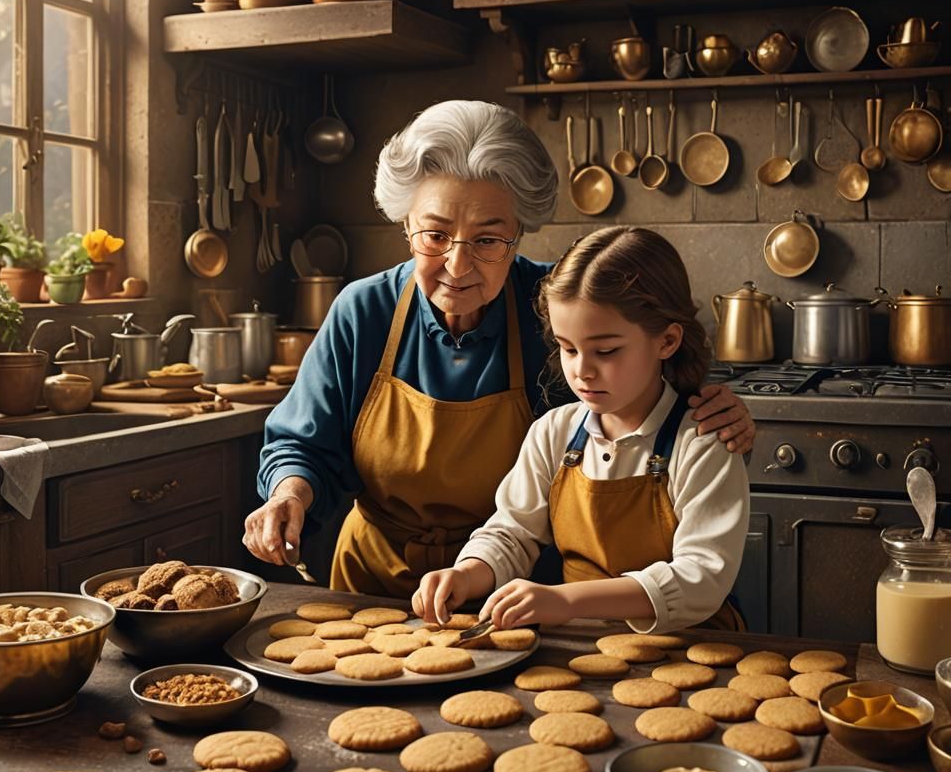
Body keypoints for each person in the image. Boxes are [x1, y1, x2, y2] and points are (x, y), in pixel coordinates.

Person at [243, 101, 754, 598]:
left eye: (487, 241)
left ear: (519, 232)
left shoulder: (558, 310)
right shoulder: (364, 310)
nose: (458, 265)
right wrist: (289, 495)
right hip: (374, 581)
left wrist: (713, 413)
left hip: (521, 589)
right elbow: (304, 443)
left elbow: (650, 409)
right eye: (435, 235)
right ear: (405, 226)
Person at [412, 226, 749, 633]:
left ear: (667, 341)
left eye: (605, 351)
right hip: (580, 645)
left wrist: (566, 600)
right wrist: (467, 573)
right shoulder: (553, 433)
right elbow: (512, 533)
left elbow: (701, 578)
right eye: (568, 348)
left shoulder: (702, 442)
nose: (582, 371)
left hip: (693, 648)